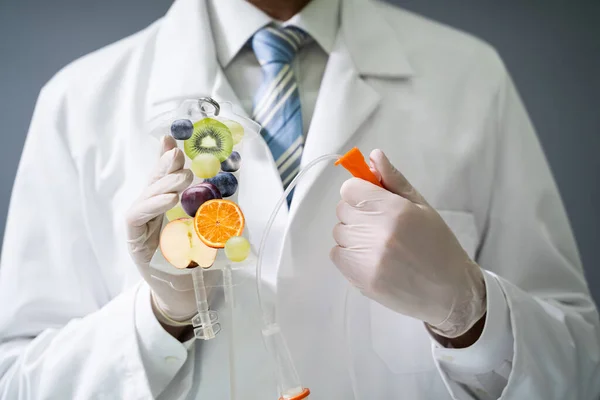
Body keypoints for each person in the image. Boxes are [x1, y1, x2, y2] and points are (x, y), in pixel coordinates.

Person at [0, 0, 598, 398]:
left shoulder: (469, 77)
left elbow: (579, 368)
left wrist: (469, 311)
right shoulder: (79, 103)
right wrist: (159, 317)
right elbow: (18, 381)